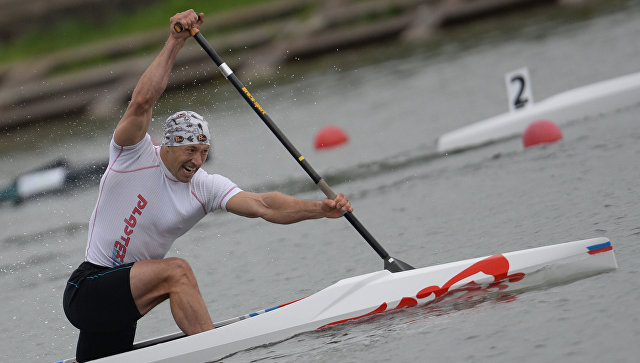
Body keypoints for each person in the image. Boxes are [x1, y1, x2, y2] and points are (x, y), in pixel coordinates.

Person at [62, 10, 353, 362]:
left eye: (203, 152)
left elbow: (263, 204)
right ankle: (217, 354)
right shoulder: (132, 155)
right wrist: (175, 41)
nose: (197, 161)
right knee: (177, 272)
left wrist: (319, 209)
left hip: (124, 299)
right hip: (88, 289)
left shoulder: (204, 187)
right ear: (166, 145)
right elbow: (142, 102)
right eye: (190, 150)